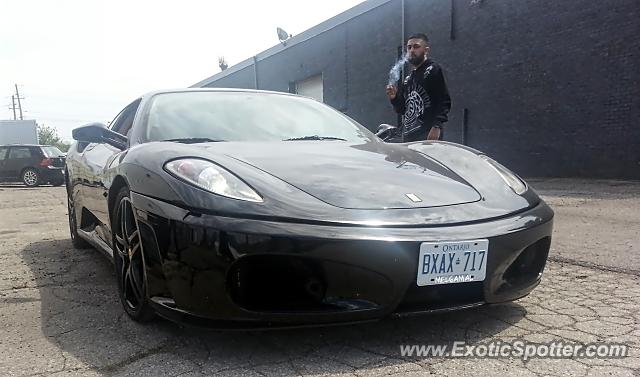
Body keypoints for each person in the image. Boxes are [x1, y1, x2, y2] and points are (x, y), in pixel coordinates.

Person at [385, 33, 451, 142]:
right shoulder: (408, 79)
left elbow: (443, 100)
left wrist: (437, 126)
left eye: (416, 47)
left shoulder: (432, 69)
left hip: (427, 134)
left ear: (426, 50)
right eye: (409, 47)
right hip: (409, 136)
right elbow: (402, 109)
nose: (411, 50)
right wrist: (394, 98)